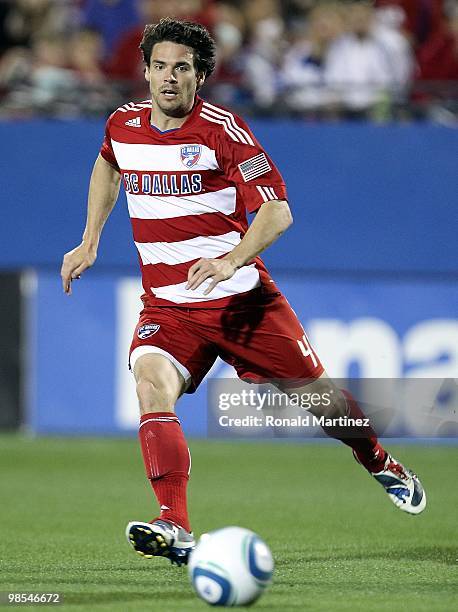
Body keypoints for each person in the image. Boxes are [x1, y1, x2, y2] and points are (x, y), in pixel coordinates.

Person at [61, 17, 426, 567]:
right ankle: (175, 525)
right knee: (150, 387)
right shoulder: (122, 124)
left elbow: (277, 212)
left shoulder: (223, 130)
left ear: (200, 76)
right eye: (159, 66)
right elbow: (108, 165)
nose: (168, 77)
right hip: (169, 306)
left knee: (324, 404)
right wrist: (89, 239)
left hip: (240, 301)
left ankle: (378, 460)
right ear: (145, 71)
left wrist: (229, 258)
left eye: (181, 68)